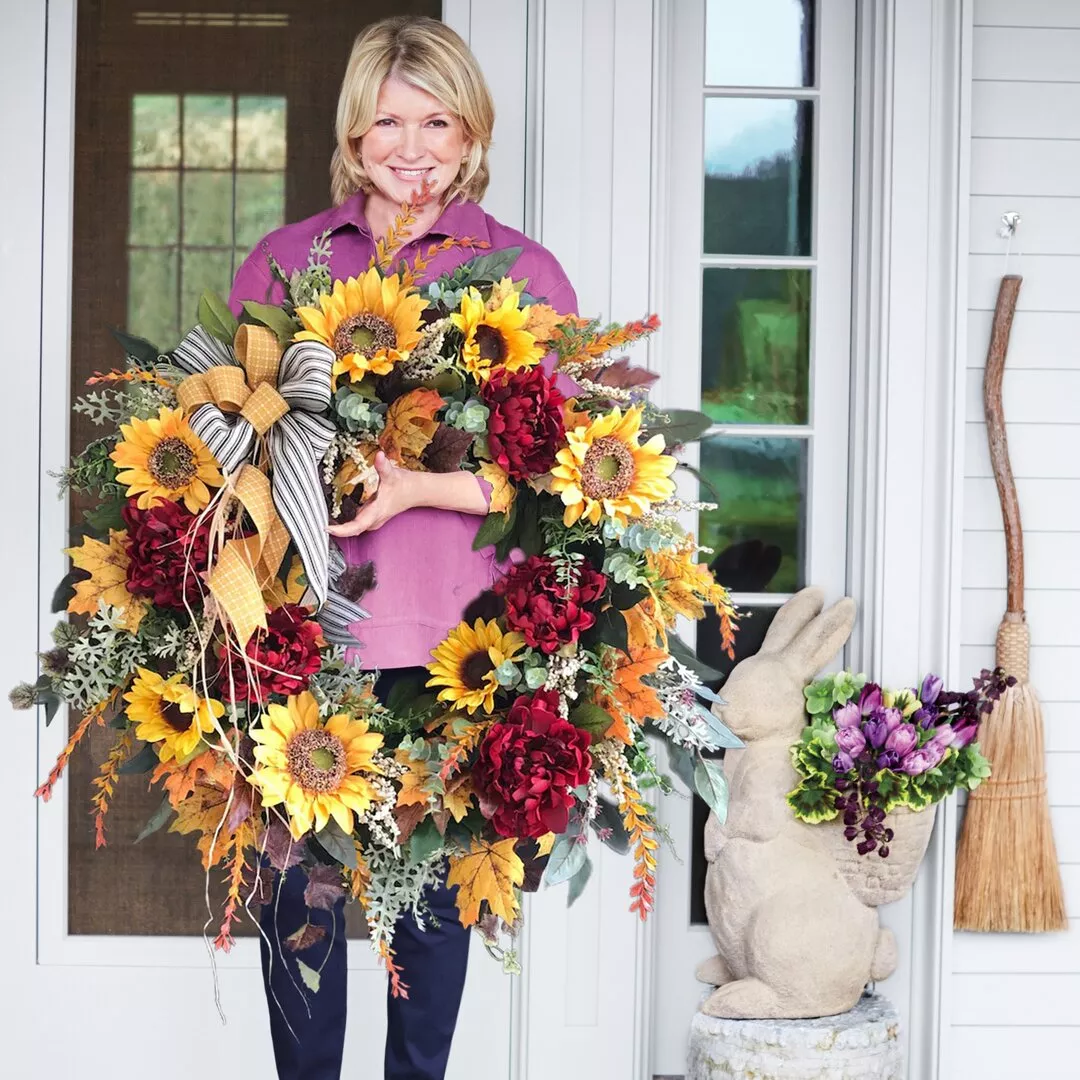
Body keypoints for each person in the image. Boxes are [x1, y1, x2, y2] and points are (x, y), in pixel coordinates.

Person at [227, 15, 577, 1080]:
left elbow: (560, 477)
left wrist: (415, 485)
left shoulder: (524, 273)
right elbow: (225, 445)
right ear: (353, 129)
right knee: (303, 927)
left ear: (472, 133)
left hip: (454, 661)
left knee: (426, 938)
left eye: (437, 120)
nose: (411, 146)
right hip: (298, 652)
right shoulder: (288, 264)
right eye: (387, 119)